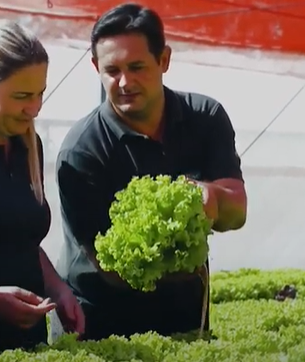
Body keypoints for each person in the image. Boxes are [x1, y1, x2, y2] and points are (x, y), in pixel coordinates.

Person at [55, 3, 248, 341]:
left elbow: (237, 212)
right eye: (112, 70)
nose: (125, 82)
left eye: (137, 67)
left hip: (184, 322)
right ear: (95, 67)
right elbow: (113, 268)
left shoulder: (204, 117)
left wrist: (210, 199)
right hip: (101, 329)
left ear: (164, 60)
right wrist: (177, 251)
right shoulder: (82, 150)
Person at [0, 19, 85, 357]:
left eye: (40, 94)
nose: (34, 108)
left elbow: (21, 237)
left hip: (27, 337)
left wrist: (58, 289)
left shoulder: (27, 144)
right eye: (22, 96)